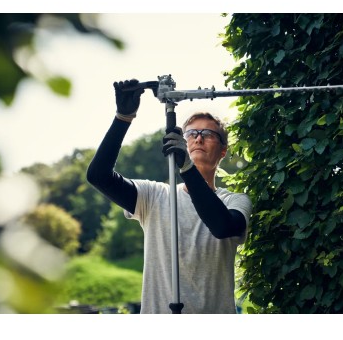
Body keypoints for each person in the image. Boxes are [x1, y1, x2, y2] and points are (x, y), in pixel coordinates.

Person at [86, 79, 252, 314]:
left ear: (223, 151)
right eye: (191, 133)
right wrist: (123, 118)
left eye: (208, 133)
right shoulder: (154, 196)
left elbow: (222, 227)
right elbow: (98, 176)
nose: (198, 138)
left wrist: (187, 168)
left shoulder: (235, 201)